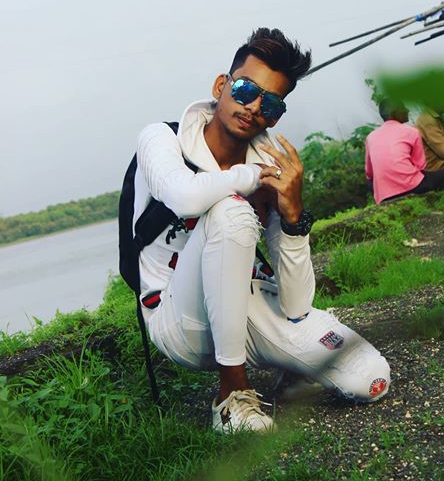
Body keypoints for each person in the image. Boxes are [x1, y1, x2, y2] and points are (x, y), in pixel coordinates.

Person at [134, 28, 390, 433]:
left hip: (248, 305)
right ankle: (231, 395)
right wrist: (252, 177)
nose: (254, 107)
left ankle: (290, 369)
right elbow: (185, 197)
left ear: (276, 115)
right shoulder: (163, 138)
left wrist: (293, 217)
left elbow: (296, 306)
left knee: (371, 378)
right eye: (244, 90)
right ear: (221, 86)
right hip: (179, 318)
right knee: (230, 211)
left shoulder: (272, 164)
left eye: (270, 103)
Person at [365, 100, 444, 204]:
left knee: (371, 182)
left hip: (385, 194)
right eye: (403, 108)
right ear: (395, 112)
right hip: (413, 186)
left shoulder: (370, 137)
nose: (407, 110)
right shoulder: (412, 131)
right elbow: (421, 166)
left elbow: (370, 174)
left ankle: (388, 196)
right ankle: (438, 202)